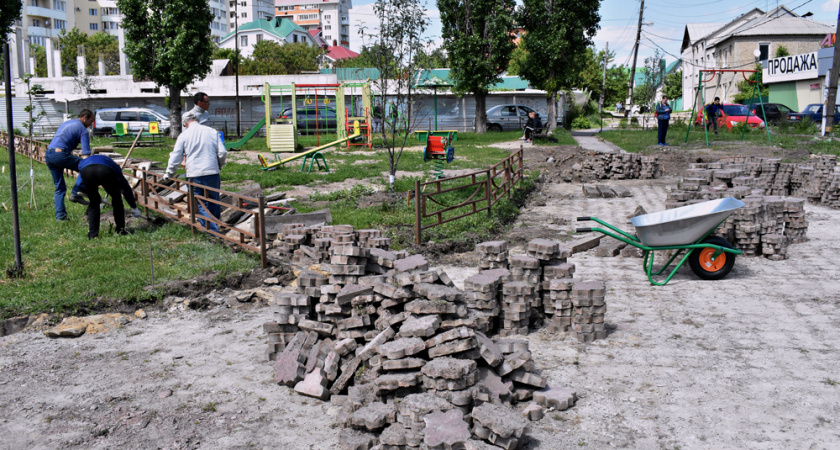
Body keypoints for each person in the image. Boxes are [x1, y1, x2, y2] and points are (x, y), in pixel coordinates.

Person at [164, 111, 227, 233]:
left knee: (198, 202)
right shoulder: (212, 131)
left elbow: (176, 156)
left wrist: (169, 173)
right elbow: (222, 152)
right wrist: (219, 165)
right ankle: (216, 225)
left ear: (185, 123)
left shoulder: (184, 135)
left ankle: (212, 231)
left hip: (194, 174)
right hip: (212, 172)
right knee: (214, 200)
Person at [46, 109, 95, 221]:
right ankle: (76, 194)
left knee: (59, 188)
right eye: (91, 121)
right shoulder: (82, 130)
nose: (91, 124)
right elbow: (86, 154)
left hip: (49, 154)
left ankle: (61, 217)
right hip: (60, 155)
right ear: (84, 117)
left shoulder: (66, 123)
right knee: (85, 166)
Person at [77, 155, 142, 238]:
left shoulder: (83, 163)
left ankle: (92, 235)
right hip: (105, 171)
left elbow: (79, 181)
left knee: (94, 204)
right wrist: (134, 207)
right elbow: (124, 187)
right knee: (116, 198)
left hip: (87, 172)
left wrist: (86, 192)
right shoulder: (112, 164)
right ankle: (120, 230)